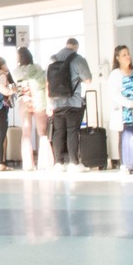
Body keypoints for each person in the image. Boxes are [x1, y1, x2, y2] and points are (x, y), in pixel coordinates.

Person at [46, 37, 93, 171]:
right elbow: (88, 80)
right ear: (76, 47)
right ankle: (74, 163)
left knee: (58, 132)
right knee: (72, 131)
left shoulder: (52, 59)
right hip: (73, 102)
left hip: (56, 102)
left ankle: (59, 163)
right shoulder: (78, 59)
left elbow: (47, 81)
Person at [11, 46, 48, 170]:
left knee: (26, 132)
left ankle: (28, 164)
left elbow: (15, 87)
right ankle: (45, 162)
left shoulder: (16, 71)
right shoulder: (38, 68)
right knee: (42, 133)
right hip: (39, 100)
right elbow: (44, 82)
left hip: (24, 101)